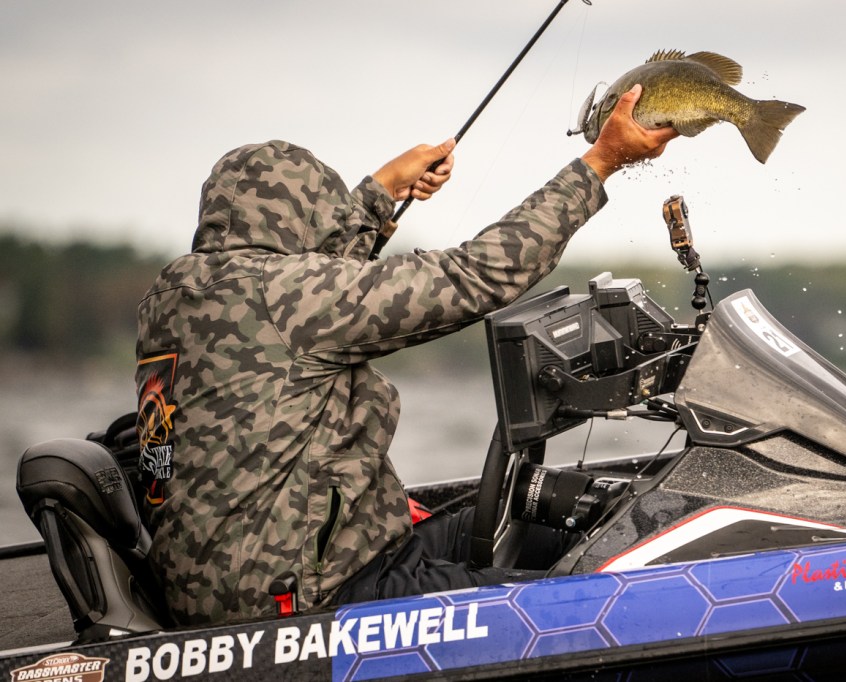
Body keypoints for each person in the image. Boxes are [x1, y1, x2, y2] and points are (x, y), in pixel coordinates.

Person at [134, 84, 678, 625]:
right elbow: (475, 276)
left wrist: (378, 194)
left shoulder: (172, 299)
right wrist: (600, 162)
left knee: (553, 529)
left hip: (247, 576)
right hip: (307, 595)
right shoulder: (283, 296)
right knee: (579, 605)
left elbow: (317, 274)